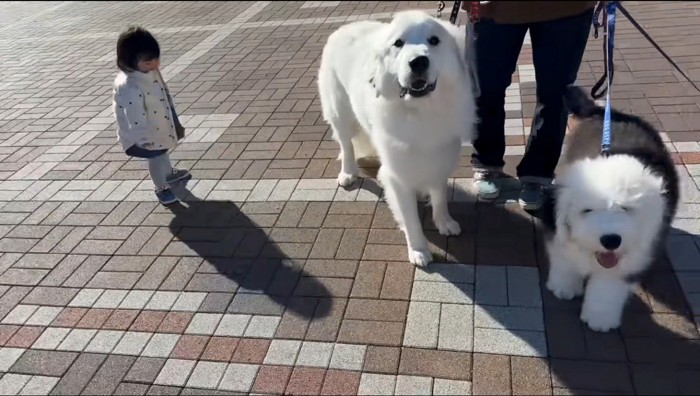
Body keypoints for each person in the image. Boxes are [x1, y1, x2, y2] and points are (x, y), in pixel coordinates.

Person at [464, 1, 596, 210]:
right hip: (493, 7)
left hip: (568, 8)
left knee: (556, 93)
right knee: (485, 86)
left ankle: (538, 174)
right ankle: (487, 162)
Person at [112, 26, 190, 205]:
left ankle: (168, 174)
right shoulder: (129, 86)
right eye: (149, 63)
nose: (155, 65)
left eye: (156, 60)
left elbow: (162, 92)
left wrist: (172, 118)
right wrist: (144, 140)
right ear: (129, 62)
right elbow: (135, 118)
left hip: (158, 124)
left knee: (163, 150)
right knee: (157, 156)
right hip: (143, 135)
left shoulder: (149, 72)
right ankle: (161, 187)